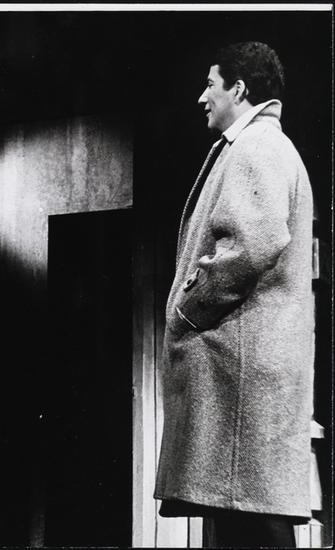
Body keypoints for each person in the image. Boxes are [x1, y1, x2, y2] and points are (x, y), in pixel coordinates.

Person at [154, 42, 315, 548]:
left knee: (252, 519)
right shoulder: (255, 145)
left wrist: (186, 311)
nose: (202, 97)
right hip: (241, 373)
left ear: (239, 89)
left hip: (241, 374)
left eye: (211, 84)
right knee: (242, 513)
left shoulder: (257, 146)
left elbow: (250, 244)